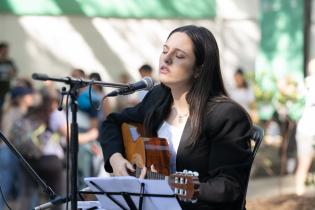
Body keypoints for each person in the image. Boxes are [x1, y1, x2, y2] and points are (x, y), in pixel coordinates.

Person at [100, 25, 253, 210]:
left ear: (198, 70)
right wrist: (116, 160)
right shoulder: (158, 98)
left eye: (179, 56)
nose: (167, 58)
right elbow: (113, 122)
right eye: (165, 50)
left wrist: (185, 188)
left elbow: (230, 186)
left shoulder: (226, 116)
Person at [295, 58, 315, 195]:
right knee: (304, 163)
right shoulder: (308, 83)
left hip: (306, 129)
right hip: (307, 130)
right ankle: (299, 194)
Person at [0, 42, 18, 123]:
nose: (7, 51)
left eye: (7, 50)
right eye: (5, 49)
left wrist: (12, 73)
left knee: (3, 108)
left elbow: (14, 73)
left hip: (5, 89)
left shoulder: (10, 62)